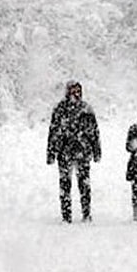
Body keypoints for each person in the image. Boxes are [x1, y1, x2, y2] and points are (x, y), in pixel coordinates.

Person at [47, 80, 101, 223]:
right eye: (73, 90)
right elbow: (53, 132)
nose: (75, 94)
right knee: (65, 184)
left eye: (78, 91)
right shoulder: (60, 109)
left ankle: (86, 214)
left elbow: (94, 132)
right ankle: (66, 216)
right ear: (67, 92)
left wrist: (97, 151)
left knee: (84, 185)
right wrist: (51, 153)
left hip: (83, 151)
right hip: (65, 152)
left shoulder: (86, 109)